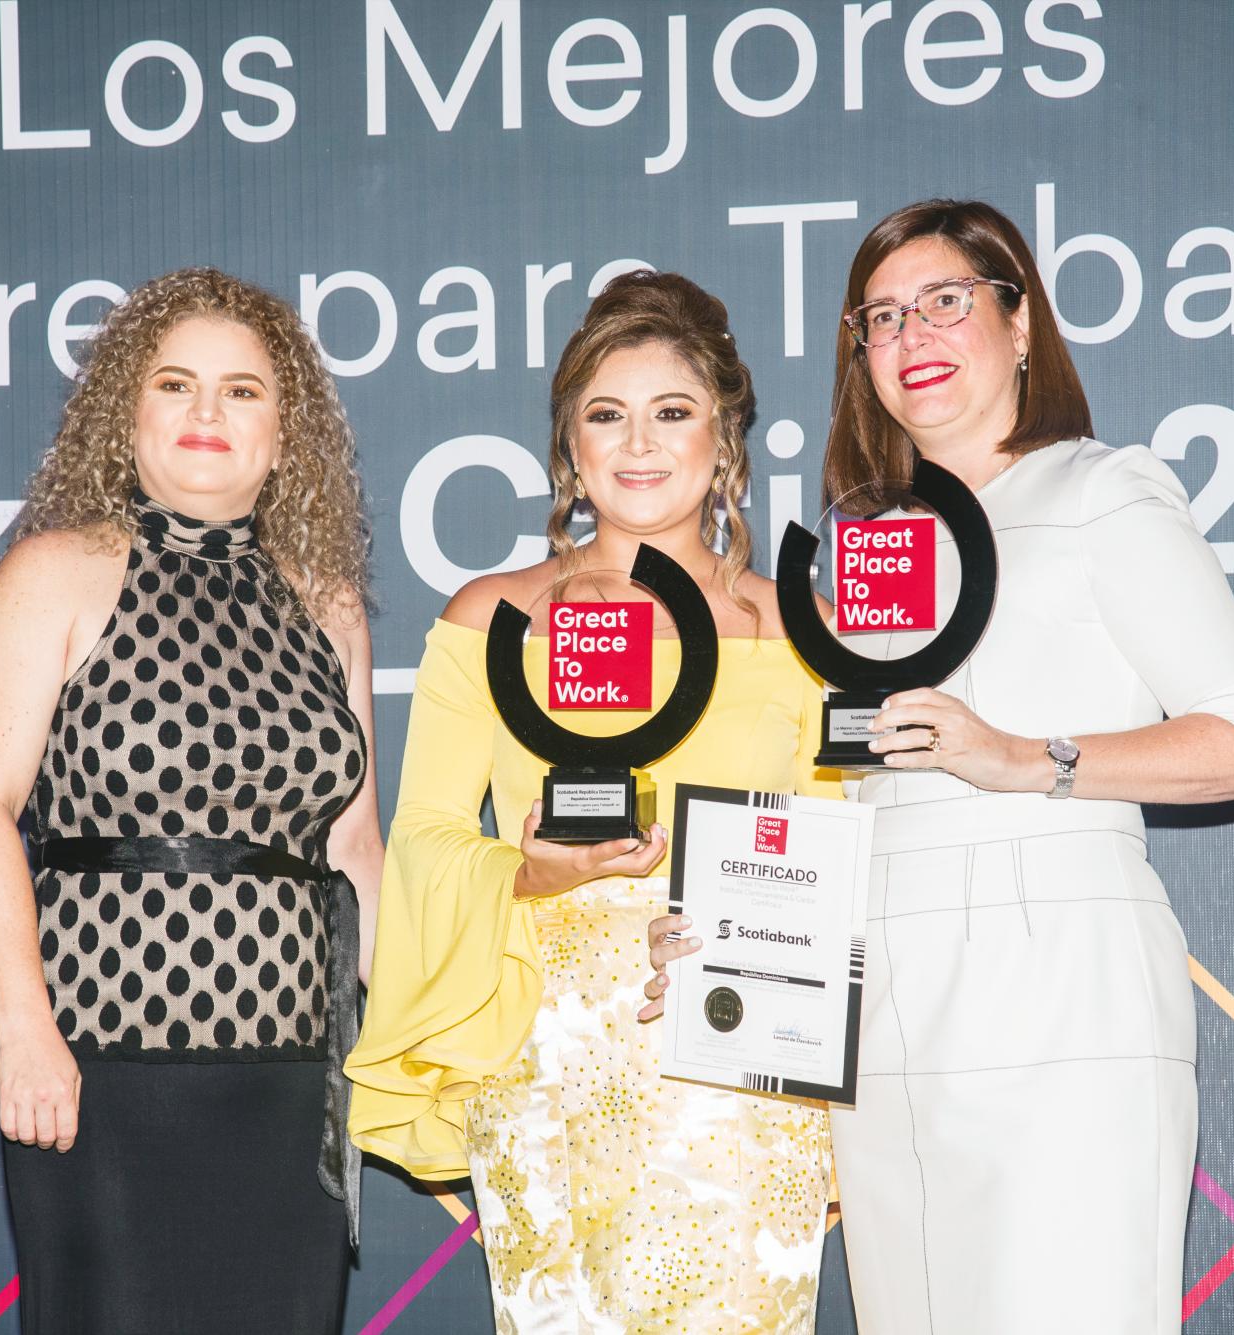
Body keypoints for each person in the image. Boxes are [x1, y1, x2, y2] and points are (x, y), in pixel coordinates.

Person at [650, 199, 1234, 1334]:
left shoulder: (1102, 490)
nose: (912, 337)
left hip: (1060, 979)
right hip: (885, 996)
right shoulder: (866, 546)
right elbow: (852, 783)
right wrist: (730, 931)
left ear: (1020, 323)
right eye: (882, 319)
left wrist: (1019, 758)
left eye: (944, 301)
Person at [346, 270, 838, 1333]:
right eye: (604, 416)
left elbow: (834, 857)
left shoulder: (798, 629)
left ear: (726, 437)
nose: (638, 444)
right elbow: (424, 835)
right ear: (569, 448)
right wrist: (526, 872)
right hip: (545, 1052)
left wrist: (735, 944)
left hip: (731, 1044)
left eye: (672, 413)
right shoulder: (494, 617)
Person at [0, 267, 383, 1335]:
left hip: (290, 1080)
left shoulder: (328, 605)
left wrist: (396, 1043)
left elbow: (354, 844)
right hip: (101, 1069)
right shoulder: (51, 572)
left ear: (286, 433)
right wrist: (24, 1028)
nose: (205, 413)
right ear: (123, 414)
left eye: (241, 391)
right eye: (175, 384)